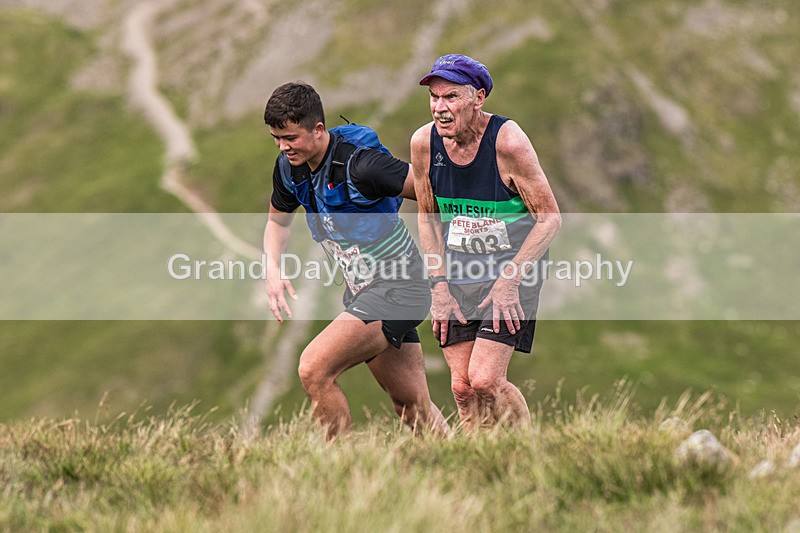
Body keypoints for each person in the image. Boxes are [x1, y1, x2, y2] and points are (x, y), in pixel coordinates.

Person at [263, 82, 448, 438]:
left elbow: (430, 190)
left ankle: (338, 469)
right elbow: (276, 222)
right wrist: (272, 269)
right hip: (363, 291)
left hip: (400, 288)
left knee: (313, 369)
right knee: (411, 405)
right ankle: (466, 463)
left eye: (290, 137)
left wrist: (446, 253)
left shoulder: (363, 166)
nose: (283, 146)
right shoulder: (290, 168)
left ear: (319, 130)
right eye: (276, 138)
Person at [411, 54, 561, 430]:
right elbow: (427, 217)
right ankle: (478, 465)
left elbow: (550, 218)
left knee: (485, 380)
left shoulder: (508, 143)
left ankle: (530, 453)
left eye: (451, 97)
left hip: (513, 267)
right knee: (462, 388)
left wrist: (510, 281)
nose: (440, 108)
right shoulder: (423, 144)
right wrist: (438, 287)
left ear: (478, 98)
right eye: (434, 97)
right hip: (458, 270)